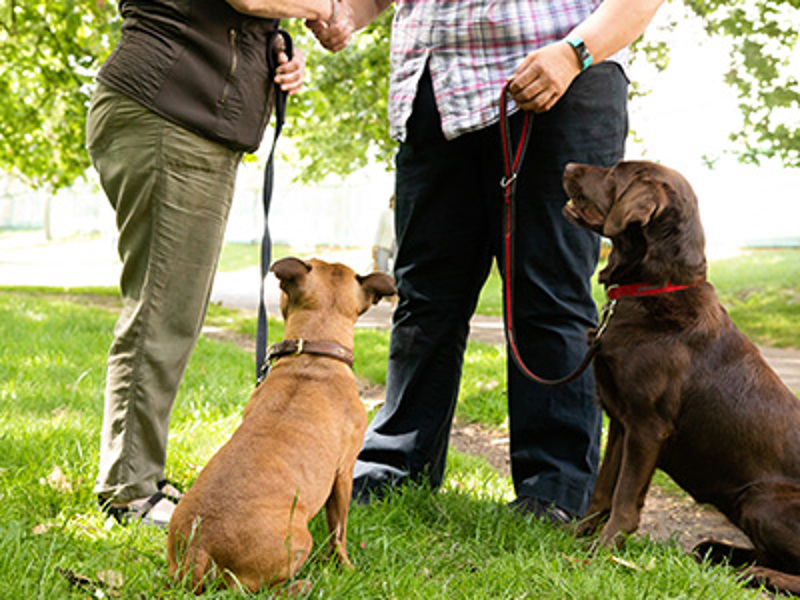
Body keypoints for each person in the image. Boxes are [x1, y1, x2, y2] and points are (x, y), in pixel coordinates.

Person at [309, 0, 665, 523]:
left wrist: (574, 53)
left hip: (556, 75)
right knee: (425, 296)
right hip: (435, 86)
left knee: (550, 294)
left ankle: (554, 488)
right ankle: (396, 464)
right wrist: (350, 15)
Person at [87, 0, 343, 527]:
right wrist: (325, 8)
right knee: (163, 310)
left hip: (185, 118)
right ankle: (129, 489)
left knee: (171, 308)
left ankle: (138, 478)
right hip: (171, 112)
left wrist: (276, 52)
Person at [372, 194, 396, 274]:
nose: (394, 203)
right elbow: (379, 230)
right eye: (393, 201)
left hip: (396, 244)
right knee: (382, 268)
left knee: (397, 268)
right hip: (384, 244)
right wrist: (375, 245)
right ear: (391, 202)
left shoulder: (401, 214)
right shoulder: (385, 213)